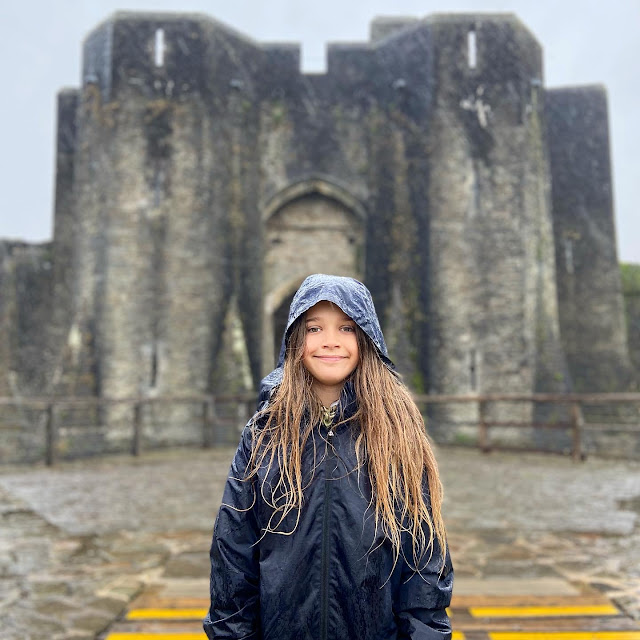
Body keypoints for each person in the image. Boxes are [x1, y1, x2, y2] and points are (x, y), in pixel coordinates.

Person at [204, 274, 453, 639]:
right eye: (314, 328)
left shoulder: (398, 436)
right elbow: (233, 557)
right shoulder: (263, 435)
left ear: (367, 338)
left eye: (347, 328)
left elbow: (424, 563)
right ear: (295, 340)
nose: (331, 342)